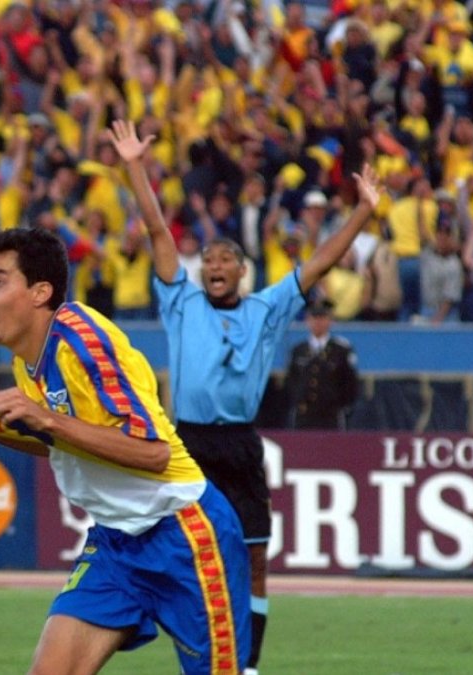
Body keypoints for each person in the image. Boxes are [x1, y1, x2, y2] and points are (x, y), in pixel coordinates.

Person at [110, 119, 381, 675]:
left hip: (238, 442)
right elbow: (160, 233)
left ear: (242, 271)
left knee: (254, 558)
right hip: (187, 442)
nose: (213, 267)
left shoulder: (267, 308)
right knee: (178, 553)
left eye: (223, 262)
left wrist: (362, 212)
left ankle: (248, 665)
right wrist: (135, 166)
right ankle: (192, 644)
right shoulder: (180, 303)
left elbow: (321, 262)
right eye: (207, 261)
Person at [0, 227, 251, 675]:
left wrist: (44, 417)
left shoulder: (83, 341)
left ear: (40, 292)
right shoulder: (26, 358)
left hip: (185, 534)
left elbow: (154, 454)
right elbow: (67, 443)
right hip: (115, 543)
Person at [284, 299, 359, 429]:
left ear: (330, 320)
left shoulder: (340, 350)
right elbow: (291, 381)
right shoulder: (299, 350)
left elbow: (350, 383)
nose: (318, 322)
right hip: (304, 416)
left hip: (331, 416)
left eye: (322, 318)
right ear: (308, 320)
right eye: (314, 318)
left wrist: (340, 405)